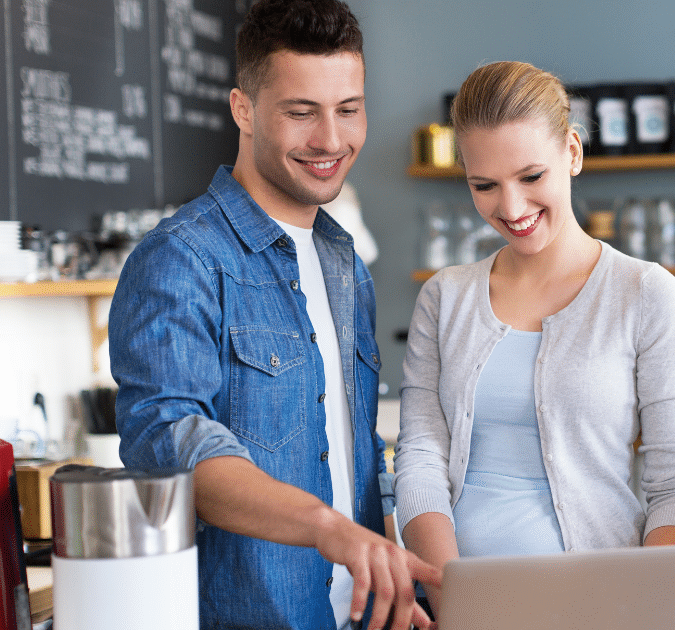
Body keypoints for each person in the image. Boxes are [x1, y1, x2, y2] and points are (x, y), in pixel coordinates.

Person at [107, 1, 438, 628]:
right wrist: (324, 528)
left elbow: (356, 452)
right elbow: (169, 446)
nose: (331, 141)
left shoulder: (345, 262)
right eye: (300, 112)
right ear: (243, 109)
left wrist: (397, 572)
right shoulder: (182, 259)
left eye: (348, 109)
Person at [394, 61, 675, 612]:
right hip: (462, 604)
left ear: (573, 151)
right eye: (484, 185)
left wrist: (642, 607)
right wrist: (456, 601)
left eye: (531, 176)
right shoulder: (444, 299)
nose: (511, 208)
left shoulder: (646, 295)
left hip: (600, 604)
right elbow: (420, 462)